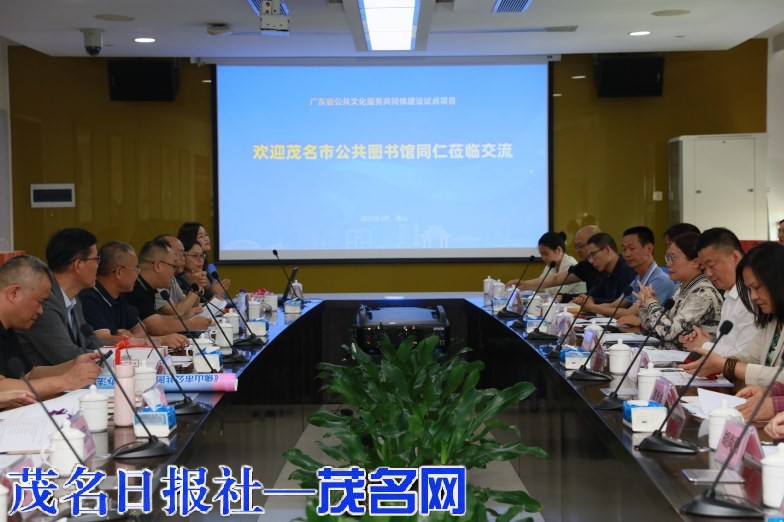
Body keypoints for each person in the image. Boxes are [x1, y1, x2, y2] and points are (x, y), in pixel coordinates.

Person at [0, 255, 100, 402]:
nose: (41, 311)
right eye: (40, 301)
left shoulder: (8, 330)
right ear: (14, 293)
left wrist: (72, 365)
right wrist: (65, 381)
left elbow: (29, 375)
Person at [682, 241, 784, 385]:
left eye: (757, 287)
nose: (753, 297)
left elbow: (781, 376)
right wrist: (720, 363)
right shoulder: (773, 319)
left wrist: (725, 365)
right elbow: (750, 356)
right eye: (749, 289)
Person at [17, 228, 107, 366]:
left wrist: (123, 349)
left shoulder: (74, 298)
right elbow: (66, 356)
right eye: (96, 260)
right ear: (78, 265)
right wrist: (111, 356)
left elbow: (90, 342)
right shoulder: (43, 302)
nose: (98, 266)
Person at [80, 241, 188, 349]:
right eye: (136, 269)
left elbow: (142, 331)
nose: (138, 274)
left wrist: (129, 338)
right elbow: (103, 340)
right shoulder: (90, 298)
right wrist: (161, 340)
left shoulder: (120, 296)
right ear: (119, 272)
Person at [636, 232, 722, 350]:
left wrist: (652, 304)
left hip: (694, 359)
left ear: (695, 262)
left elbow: (669, 333)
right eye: (667, 258)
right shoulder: (682, 288)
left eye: (673, 258)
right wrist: (645, 304)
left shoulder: (703, 293)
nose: (668, 264)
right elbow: (655, 329)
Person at [678, 227, 756, 358]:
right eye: (704, 268)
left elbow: (747, 358)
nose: (708, 274)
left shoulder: (752, 297)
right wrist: (709, 341)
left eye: (711, 265)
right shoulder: (730, 295)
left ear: (735, 257)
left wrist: (705, 345)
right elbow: (731, 345)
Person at [585, 226, 674, 321]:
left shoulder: (661, 280)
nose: (627, 254)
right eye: (624, 249)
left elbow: (631, 313)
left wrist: (592, 307)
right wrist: (588, 305)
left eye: (632, 248)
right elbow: (614, 305)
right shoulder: (638, 278)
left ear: (649, 249)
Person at [127, 239, 212, 335]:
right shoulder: (135, 288)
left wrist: (183, 317)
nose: (174, 272)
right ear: (158, 266)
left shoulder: (149, 287)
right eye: (173, 267)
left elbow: (156, 318)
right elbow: (156, 327)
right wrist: (191, 324)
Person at [509, 225, 601, 300]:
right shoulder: (584, 265)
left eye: (580, 246)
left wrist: (527, 285)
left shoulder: (572, 264)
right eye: (576, 247)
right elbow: (555, 279)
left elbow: (556, 288)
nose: (577, 251)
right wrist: (525, 284)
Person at [572, 232, 636, 305]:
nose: (591, 261)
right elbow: (592, 295)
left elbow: (624, 304)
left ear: (608, 250)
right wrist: (581, 299)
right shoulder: (605, 272)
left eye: (593, 254)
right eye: (589, 257)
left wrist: (592, 302)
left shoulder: (627, 270)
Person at [153, 234, 203, 317]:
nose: (183, 258)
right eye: (179, 254)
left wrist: (198, 286)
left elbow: (191, 306)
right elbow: (178, 312)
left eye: (184, 254)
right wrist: (195, 290)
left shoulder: (172, 278)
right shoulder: (155, 281)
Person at [178, 222, 230, 297]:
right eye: (201, 236)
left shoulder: (207, 267)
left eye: (206, 234)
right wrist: (213, 293)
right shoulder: (181, 278)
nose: (206, 239)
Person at [534, 232, 585, 297]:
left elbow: (559, 290)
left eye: (546, 254)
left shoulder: (571, 265)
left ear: (558, 250)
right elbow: (540, 282)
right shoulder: (551, 265)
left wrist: (533, 287)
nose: (543, 258)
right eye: (541, 255)